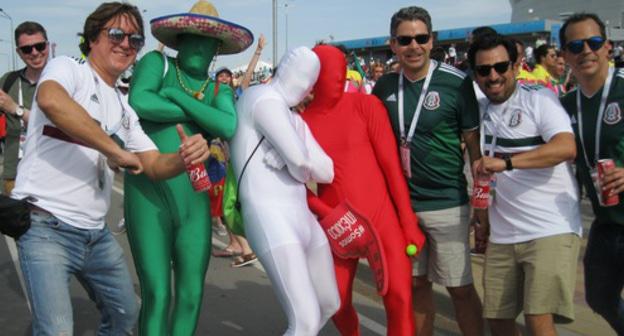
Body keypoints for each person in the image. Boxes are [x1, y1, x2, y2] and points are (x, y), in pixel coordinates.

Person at [10, 2, 210, 334]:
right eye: (116, 34)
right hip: (46, 225)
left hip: (94, 235)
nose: (126, 44)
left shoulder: (122, 105)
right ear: (92, 38)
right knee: (56, 330)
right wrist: (112, 149)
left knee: (125, 315)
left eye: (135, 40)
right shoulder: (69, 66)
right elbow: (51, 101)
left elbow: (154, 164)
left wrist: (185, 157)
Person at [126, 1, 252, 334]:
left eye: (206, 40)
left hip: (194, 202)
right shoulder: (157, 64)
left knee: (191, 294)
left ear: (217, 49)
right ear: (179, 39)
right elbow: (140, 100)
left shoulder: (218, 88)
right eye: (191, 37)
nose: (198, 45)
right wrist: (199, 114)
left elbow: (227, 125)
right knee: (157, 293)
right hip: (147, 196)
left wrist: (179, 99)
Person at [372, 6, 485, 336]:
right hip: (403, 208)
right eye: (405, 40)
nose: (413, 46)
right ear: (393, 44)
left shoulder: (456, 83)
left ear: (432, 41)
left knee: (460, 289)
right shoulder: (385, 87)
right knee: (416, 284)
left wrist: (481, 207)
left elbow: (474, 149)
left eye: (421, 38)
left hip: (447, 203)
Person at [304, 44, 425, 336]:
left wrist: (407, 222)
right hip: (337, 224)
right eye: (328, 72)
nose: (337, 77)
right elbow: (293, 185)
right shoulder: (301, 124)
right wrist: (327, 213)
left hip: (382, 218)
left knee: (398, 297)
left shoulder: (365, 106)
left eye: (340, 70)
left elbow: (391, 167)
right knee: (335, 301)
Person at [469, 33, 582, 336]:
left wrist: (507, 163)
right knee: (498, 319)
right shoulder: (478, 109)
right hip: (503, 234)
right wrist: (481, 214)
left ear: (516, 66)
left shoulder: (539, 99)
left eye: (500, 66)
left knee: (537, 318)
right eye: (484, 70)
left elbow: (565, 148)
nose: (493, 76)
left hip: (549, 228)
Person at [230, 46, 340, 335]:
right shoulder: (261, 97)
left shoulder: (295, 119)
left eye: (310, 82)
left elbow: (326, 170)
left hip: (302, 218)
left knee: (329, 303)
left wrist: (290, 156)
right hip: (270, 217)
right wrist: (295, 159)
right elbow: (303, 162)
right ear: (284, 72)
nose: (304, 87)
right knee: (304, 320)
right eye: (301, 77)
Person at [559, 13, 624, 335]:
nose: (586, 50)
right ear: (565, 55)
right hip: (606, 222)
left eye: (594, 42)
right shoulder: (566, 104)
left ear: (608, 47)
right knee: (599, 297)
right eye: (576, 45)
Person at [0, 21, 49, 195]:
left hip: (53, 175)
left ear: (48, 46)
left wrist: (16, 109)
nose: (35, 53)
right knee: (14, 222)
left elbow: (56, 126)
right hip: (14, 173)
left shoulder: (62, 80)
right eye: (27, 49)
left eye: (40, 46)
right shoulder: (8, 81)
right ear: (19, 53)